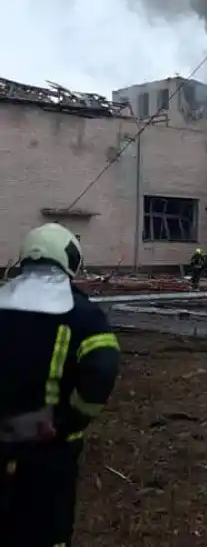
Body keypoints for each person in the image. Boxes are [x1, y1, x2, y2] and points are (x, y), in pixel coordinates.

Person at [0, 222, 120, 547]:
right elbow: (103, 368)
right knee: (46, 526)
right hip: (49, 445)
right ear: (71, 261)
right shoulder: (83, 315)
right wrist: (70, 420)